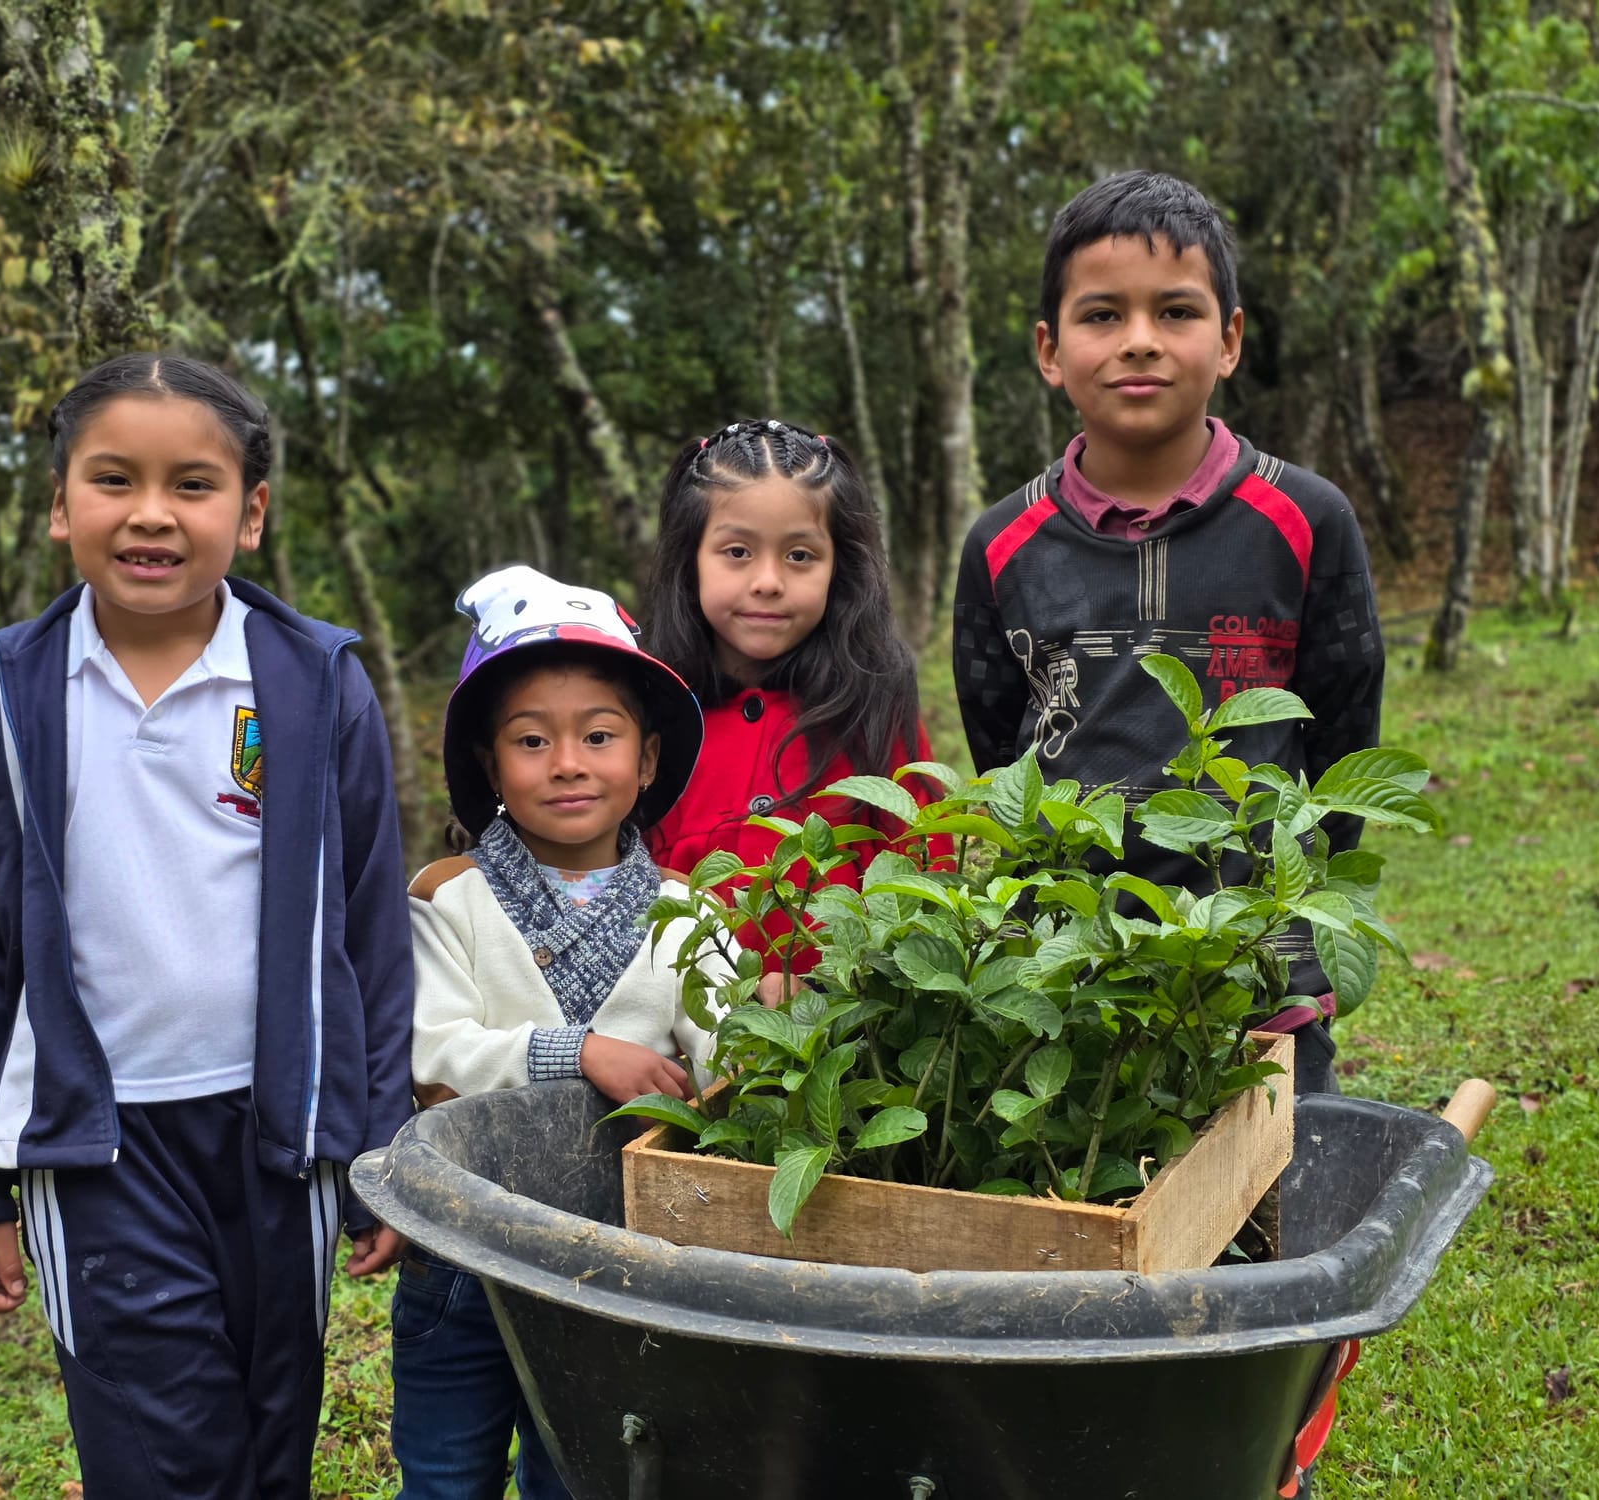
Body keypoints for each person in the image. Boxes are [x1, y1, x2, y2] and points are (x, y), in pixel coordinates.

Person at [0, 352, 414, 1500]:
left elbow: (372, 933)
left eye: (192, 483)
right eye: (111, 480)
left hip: (281, 1139)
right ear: (57, 505)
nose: (150, 513)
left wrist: (381, 1145)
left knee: (269, 1426)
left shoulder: (312, 683)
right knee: (159, 1450)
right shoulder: (3, 698)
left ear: (251, 515)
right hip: (99, 1147)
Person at [952, 169, 1385, 1101]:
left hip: (1258, 965)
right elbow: (1003, 749)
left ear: (1228, 339)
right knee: (1090, 1201)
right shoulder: (1002, 543)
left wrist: (1315, 924)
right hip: (1074, 960)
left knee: (1275, 1202)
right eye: (1102, 315)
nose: (1139, 342)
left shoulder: (1305, 519)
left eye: (1176, 312)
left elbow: (1346, 746)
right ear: (1048, 350)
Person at [396, 563, 732, 1500]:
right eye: (532, 740)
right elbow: (435, 1049)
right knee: (444, 1473)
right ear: (491, 765)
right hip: (463, 1246)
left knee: (580, 1474)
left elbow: (730, 1054)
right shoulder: (447, 897)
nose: (569, 763)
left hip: (616, 1252)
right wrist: (580, 1051)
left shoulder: (686, 911)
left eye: (599, 736)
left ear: (648, 759)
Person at [641, 418, 943, 965]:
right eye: (736, 552)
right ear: (690, 562)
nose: (768, 581)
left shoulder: (872, 711)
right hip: (672, 1038)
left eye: (800, 556)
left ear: (839, 569)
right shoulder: (647, 711)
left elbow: (925, 886)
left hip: (844, 1036)